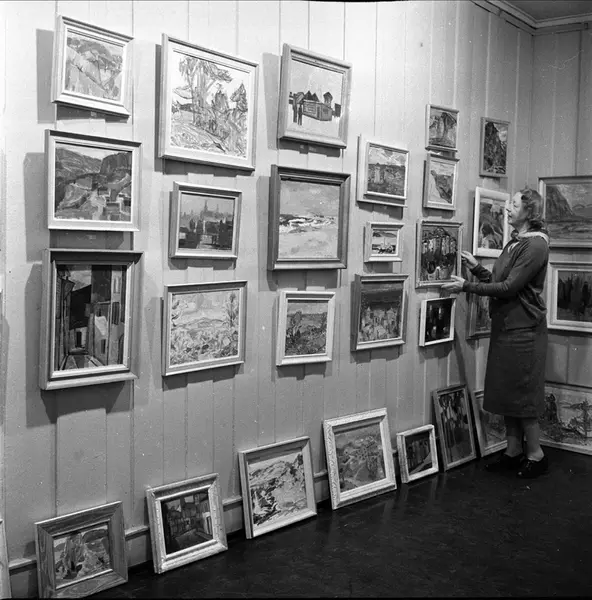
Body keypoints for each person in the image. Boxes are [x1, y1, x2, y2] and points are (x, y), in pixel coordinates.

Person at [441, 188, 550, 479]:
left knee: (523, 395)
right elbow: (501, 281)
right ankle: (513, 452)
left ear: (529, 211)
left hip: (525, 331)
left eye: (514, 204)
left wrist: (467, 286)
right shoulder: (516, 242)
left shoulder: (535, 245)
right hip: (507, 328)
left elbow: (509, 288)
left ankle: (536, 455)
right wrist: (477, 270)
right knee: (507, 393)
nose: (507, 208)